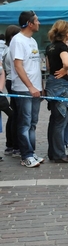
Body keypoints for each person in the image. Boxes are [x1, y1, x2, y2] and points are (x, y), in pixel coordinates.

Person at [9, 10, 44, 168]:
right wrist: (30, 86)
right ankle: (26, 155)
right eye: (36, 20)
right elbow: (18, 65)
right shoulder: (18, 40)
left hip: (35, 89)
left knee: (33, 123)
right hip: (23, 89)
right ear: (29, 23)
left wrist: (40, 87)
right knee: (24, 123)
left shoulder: (33, 41)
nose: (39, 23)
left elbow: (35, 66)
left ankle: (31, 151)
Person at [45, 20, 68, 163]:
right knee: (61, 121)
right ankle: (59, 154)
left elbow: (48, 66)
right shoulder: (62, 47)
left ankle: (53, 152)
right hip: (62, 86)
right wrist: (65, 69)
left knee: (54, 120)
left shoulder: (49, 47)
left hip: (52, 83)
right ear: (66, 33)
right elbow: (67, 63)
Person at [2, 25, 20, 157]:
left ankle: (10, 144)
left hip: (10, 81)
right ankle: (14, 145)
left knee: (13, 114)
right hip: (13, 82)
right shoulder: (10, 51)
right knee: (14, 115)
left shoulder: (8, 50)